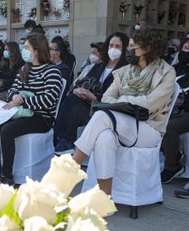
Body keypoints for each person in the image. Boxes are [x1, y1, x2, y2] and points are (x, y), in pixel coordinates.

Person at [72, 28, 175, 195]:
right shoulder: (127, 71)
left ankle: (69, 169)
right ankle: (104, 198)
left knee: (101, 115)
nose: (129, 50)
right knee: (104, 137)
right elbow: (106, 98)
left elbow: (149, 104)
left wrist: (120, 102)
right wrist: (123, 105)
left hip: (148, 129)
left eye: (133, 46)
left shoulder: (167, 72)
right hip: (121, 124)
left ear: (147, 48)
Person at [0, 33, 62, 185]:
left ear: (37, 50)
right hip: (19, 112)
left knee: (7, 131)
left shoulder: (52, 72)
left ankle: (7, 175)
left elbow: (49, 99)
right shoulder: (24, 69)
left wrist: (23, 101)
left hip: (41, 117)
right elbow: (13, 90)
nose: (23, 51)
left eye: (26, 48)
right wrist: (14, 97)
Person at [54, 32, 129, 154]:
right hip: (87, 103)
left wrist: (95, 97)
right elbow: (83, 81)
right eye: (111, 45)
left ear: (124, 48)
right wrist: (77, 89)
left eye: (117, 46)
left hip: (105, 108)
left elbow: (119, 95)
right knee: (72, 98)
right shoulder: (100, 66)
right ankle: (62, 140)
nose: (113, 49)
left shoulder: (125, 69)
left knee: (76, 107)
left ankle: (65, 142)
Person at [160, 37, 189, 184]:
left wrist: (182, 103)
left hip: (186, 111)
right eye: (185, 48)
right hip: (170, 108)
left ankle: (172, 166)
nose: (186, 52)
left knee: (168, 127)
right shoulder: (175, 69)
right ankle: (172, 154)